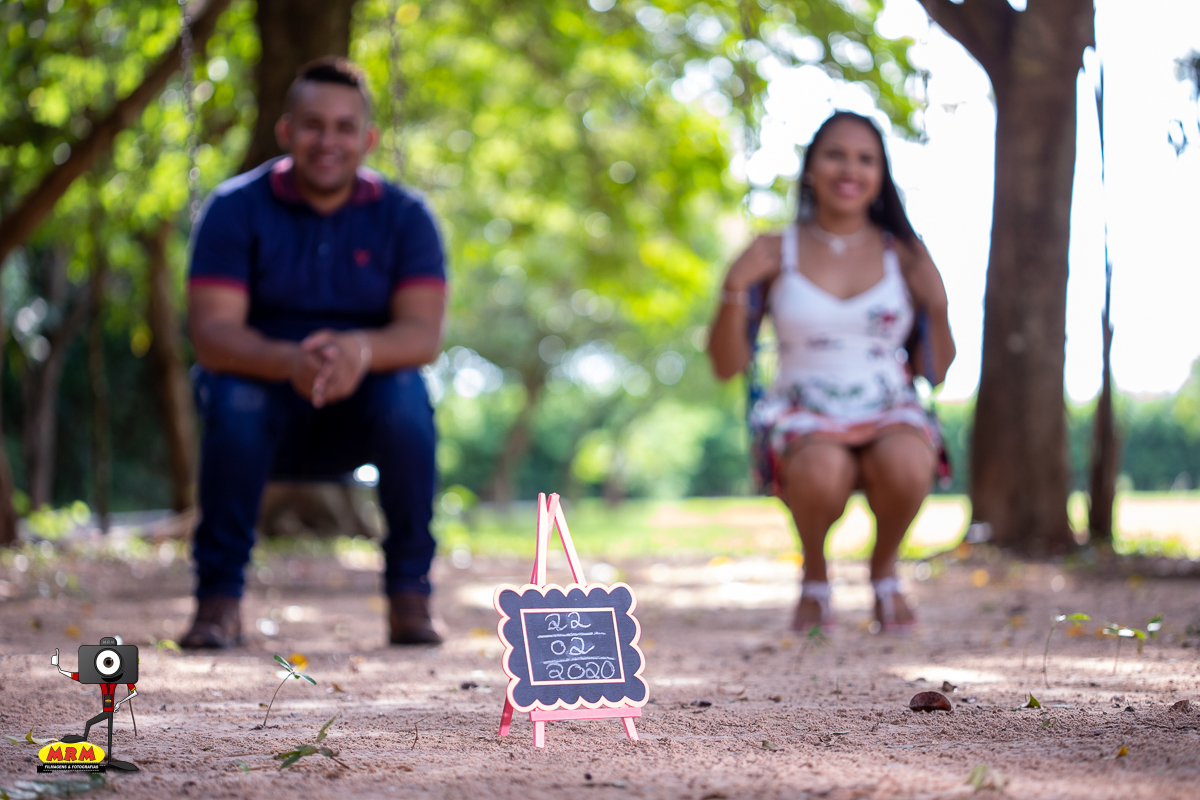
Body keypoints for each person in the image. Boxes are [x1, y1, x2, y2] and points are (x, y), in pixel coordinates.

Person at [181, 57, 447, 648]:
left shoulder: (408, 217)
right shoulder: (233, 208)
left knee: (407, 394)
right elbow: (212, 334)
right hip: (260, 399)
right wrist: (290, 362)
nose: (328, 141)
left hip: (363, 408)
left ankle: (411, 595)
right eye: (312, 125)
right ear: (286, 131)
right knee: (238, 396)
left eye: (344, 127)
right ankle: (218, 602)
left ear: (367, 139)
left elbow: (422, 335)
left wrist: (359, 349)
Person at [708, 111, 955, 633]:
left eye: (866, 159)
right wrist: (735, 285)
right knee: (822, 469)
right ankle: (816, 577)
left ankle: (883, 571)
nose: (850, 169)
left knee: (909, 462)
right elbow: (726, 366)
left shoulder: (904, 254)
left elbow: (936, 371)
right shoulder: (773, 250)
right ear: (810, 169)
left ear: (881, 175)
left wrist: (938, 306)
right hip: (803, 407)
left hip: (888, 404)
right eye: (835, 155)